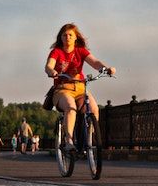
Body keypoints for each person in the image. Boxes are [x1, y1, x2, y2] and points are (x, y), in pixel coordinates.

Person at [45, 22, 115, 154]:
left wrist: (106, 69)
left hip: (80, 88)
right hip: (62, 89)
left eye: (70, 35)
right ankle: (69, 141)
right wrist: (51, 71)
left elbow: (95, 62)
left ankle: (89, 138)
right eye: (64, 35)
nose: (67, 37)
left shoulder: (80, 51)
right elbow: (49, 65)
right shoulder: (57, 52)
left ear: (76, 37)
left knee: (94, 109)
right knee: (71, 107)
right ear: (61, 38)